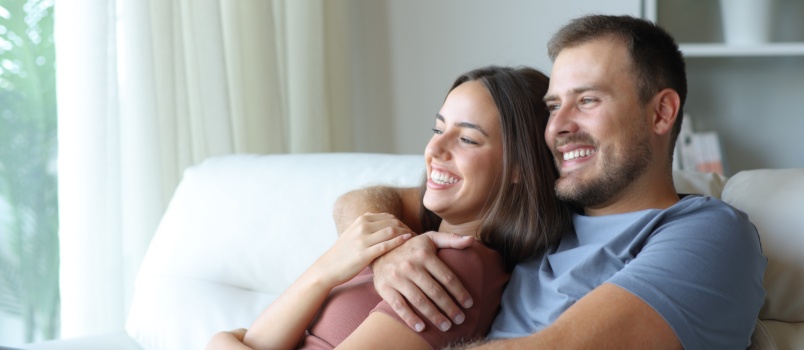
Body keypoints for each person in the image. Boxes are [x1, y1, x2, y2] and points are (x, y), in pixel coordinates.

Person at [334, 15, 766, 349]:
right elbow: (366, 200)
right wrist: (388, 256)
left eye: (587, 100)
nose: (557, 126)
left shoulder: (707, 233)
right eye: (554, 105)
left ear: (661, 113)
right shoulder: (542, 207)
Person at [205, 66, 571, 349]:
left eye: (466, 139)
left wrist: (222, 341)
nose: (435, 150)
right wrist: (329, 269)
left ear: (519, 169)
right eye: (438, 129)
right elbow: (259, 341)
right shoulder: (415, 245)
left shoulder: (458, 264)